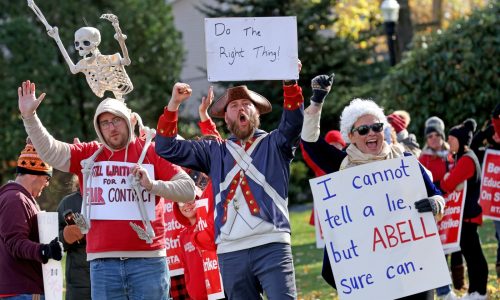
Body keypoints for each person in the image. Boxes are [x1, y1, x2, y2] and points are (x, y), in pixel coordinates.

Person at [18, 80, 196, 300]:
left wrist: (153, 185)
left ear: (128, 121)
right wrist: (30, 118)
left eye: (116, 120)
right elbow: (51, 151)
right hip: (103, 265)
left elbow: (188, 189)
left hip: (148, 262)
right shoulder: (89, 154)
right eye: (105, 123)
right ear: (98, 128)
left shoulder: (151, 151)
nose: (111, 127)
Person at [154, 62, 316, 299]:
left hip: (272, 244)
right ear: (225, 117)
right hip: (231, 252)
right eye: (234, 105)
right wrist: (174, 104)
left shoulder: (275, 143)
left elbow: (293, 122)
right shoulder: (214, 151)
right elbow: (166, 147)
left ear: (256, 113)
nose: (240, 109)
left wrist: (290, 82)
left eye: (246, 104)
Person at [301, 94, 445, 300]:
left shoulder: (403, 160)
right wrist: (316, 104)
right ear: (351, 136)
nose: (372, 133)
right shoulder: (341, 164)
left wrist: (435, 204)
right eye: (363, 129)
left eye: (377, 127)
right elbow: (310, 142)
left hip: (411, 264)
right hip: (369, 270)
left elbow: (436, 194)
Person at [0, 140, 63, 299]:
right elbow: (15, 242)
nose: (47, 184)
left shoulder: (19, 198)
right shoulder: (15, 199)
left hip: (22, 290)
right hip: (20, 291)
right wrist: (44, 250)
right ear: (35, 172)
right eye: (47, 178)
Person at [440, 119, 489, 300]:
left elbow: (448, 184)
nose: (448, 142)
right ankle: (474, 291)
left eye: (452, 139)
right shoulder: (462, 157)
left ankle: (480, 292)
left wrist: (448, 177)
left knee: (474, 254)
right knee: (470, 254)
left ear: (461, 141)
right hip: (466, 214)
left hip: (468, 215)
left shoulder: (467, 159)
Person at [418, 117, 461, 299]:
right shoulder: (422, 158)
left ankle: (456, 284)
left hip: (452, 210)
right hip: (434, 211)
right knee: (436, 251)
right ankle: (443, 290)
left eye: (437, 135)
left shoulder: (452, 155)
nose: (433, 139)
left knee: (454, 246)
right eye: (430, 136)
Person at [470, 104, 500, 281]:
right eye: (494, 132)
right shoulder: (487, 151)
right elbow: (472, 145)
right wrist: (488, 131)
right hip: (496, 203)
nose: (496, 135)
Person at [56, 174, 90, 300]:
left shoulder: (113, 200)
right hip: (79, 282)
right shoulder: (68, 202)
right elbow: (52, 242)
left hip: (111, 278)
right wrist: (65, 236)